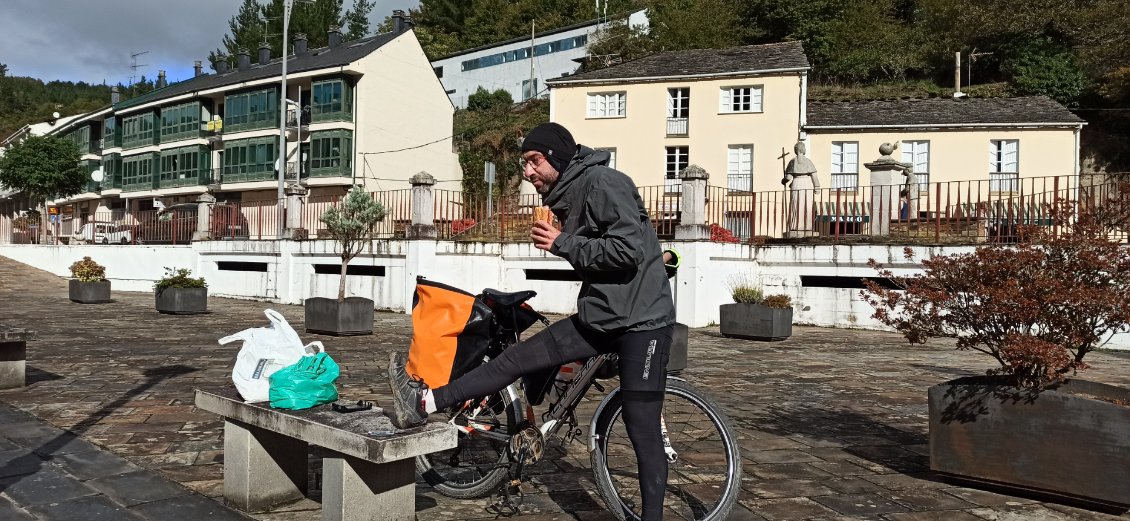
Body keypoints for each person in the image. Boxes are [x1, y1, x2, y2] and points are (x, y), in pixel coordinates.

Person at [387, 122, 676, 520]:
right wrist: (567, 241)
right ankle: (423, 402)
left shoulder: (604, 182)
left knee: (642, 430)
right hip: (602, 316)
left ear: (556, 157)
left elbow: (627, 250)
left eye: (534, 161)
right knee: (516, 360)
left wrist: (562, 242)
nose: (528, 172)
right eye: (525, 163)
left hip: (643, 325)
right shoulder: (571, 192)